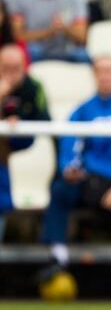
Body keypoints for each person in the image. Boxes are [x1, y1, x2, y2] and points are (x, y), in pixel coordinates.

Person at [42, 56, 111, 301]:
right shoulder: (83, 109)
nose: (106, 76)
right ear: (94, 75)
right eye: (101, 71)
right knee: (59, 190)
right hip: (89, 179)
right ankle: (58, 256)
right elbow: (70, 147)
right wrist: (70, 169)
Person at [0, 44, 49, 239]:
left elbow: (46, 121)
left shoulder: (34, 87)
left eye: (16, 68)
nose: (11, 74)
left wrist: (20, 122)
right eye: (5, 68)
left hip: (22, 148)